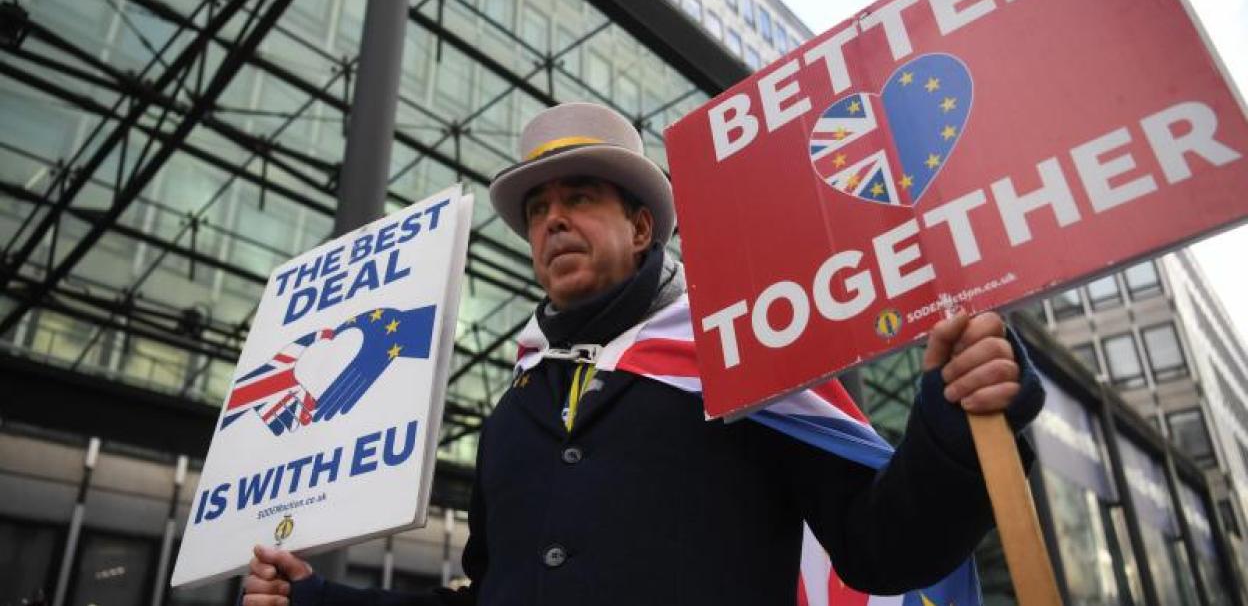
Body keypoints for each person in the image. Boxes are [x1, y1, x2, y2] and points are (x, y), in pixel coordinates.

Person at [242, 102, 1044, 606]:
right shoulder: (511, 417)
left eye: (579, 198)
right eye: (537, 211)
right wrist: (319, 600)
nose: (552, 221)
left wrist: (957, 415)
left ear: (641, 228)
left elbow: (880, 547)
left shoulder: (742, 360)